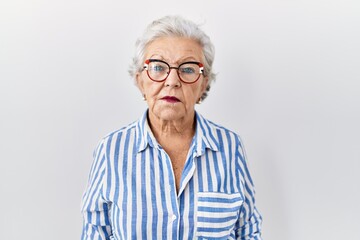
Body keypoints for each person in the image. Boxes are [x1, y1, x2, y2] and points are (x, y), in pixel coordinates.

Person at [81, 15, 262, 240]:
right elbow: (95, 232)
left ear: (203, 83)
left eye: (187, 69)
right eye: (158, 67)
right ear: (140, 81)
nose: (172, 81)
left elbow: (248, 230)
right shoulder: (111, 150)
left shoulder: (230, 148)